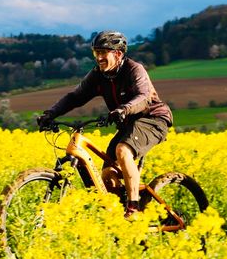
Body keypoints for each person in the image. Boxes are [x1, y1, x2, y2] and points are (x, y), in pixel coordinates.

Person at [37, 30, 173, 216]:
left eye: (103, 53)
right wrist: (50, 114)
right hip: (127, 124)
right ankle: (118, 219)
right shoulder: (98, 75)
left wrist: (124, 109)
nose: (99, 58)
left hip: (152, 119)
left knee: (122, 150)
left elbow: (144, 97)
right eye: (96, 53)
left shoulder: (134, 69)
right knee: (108, 176)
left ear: (117, 54)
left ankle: (133, 208)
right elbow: (75, 97)